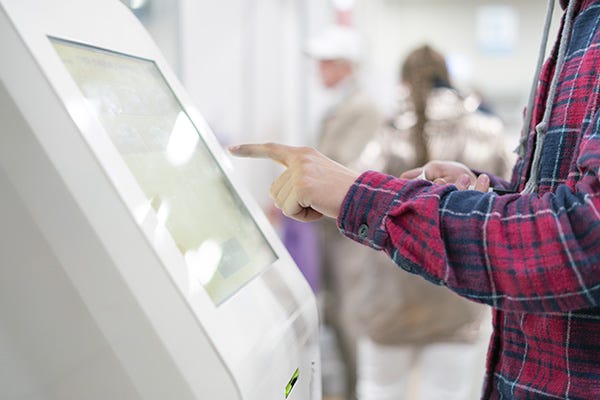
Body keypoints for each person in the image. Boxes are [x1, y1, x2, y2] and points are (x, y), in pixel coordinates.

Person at [230, 0, 600, 398]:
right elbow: (539, 201)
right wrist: (487, 191)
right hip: (459, 306)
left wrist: (359, 195)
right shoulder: (569, 29)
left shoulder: (384, 125)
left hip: (395, 297)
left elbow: (583, 233)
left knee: (381, 389)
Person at [348, 44, 512, 400]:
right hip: (459, 291)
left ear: (404, 81)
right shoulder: (488, 130)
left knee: (380, 389)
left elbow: (354, 198)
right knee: (447, 393)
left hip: (388, 298)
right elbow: (511, 201)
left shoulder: (386, 134)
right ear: (447, 79)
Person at [304, 24, 386, 400]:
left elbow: (347, 169)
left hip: (348, 232)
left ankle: (358, 392)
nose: (320, 71)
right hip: (332, 230)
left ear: (345, 65)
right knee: (337, 312)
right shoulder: (341, 108)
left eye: (326, 63)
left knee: (351, 316)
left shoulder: (363, 109)